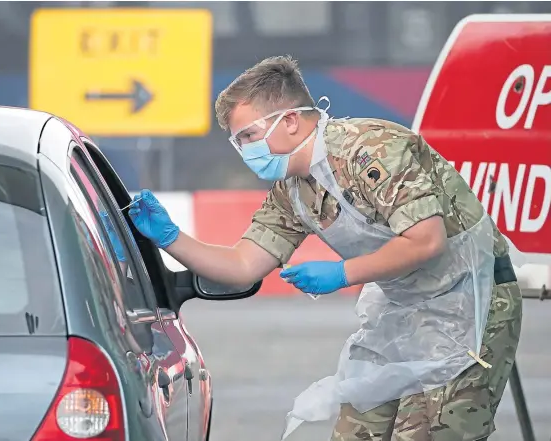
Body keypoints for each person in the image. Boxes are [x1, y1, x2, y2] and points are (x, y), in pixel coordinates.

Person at [128, 55, 522, 441]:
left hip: (470, 306)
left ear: (291, 121)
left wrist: (342, 274)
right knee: (357, 429)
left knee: (429, 433)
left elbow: (427, 239)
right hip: (404, 312)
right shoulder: (293, 190)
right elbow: (243, 264)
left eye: (248, 136)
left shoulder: (370, 148)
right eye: (238, 141)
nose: (245, 150)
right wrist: (170, 237)